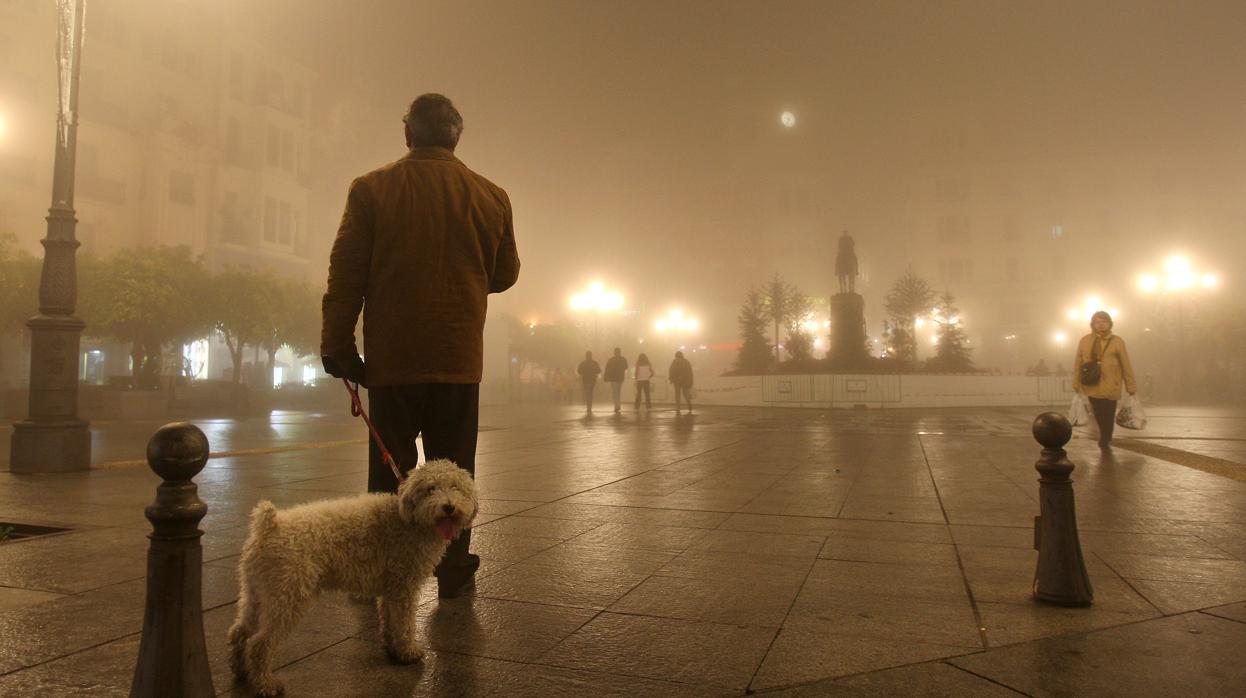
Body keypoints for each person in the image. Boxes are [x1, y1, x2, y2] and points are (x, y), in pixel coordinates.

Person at [320, 93, 520, 598]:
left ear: (408, 134)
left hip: (392, 361)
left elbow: (346, 274)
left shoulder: (372, 189)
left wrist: (338, 345)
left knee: (389, 473)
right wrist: (465, 279)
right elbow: (506, 273)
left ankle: (384, 572)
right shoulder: (491, 195)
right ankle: (452, 568)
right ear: (456, 137)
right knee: (455, 473)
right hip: (457, 359)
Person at [1072, 310, 1136, 452]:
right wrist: (1076, 382)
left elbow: (1126, 363)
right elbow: (1078, 363)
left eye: (1104, 322)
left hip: (1111, 383)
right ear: (1092, 324)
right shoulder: (1085, 340)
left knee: (1108, 411)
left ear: (1110, 324)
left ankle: (1106, 436)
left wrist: (1130, 385)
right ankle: (1105, 433)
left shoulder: (1117, 341)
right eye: (1098, 322)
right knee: (1097, 412)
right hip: (1092, 383)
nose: (1101, 325)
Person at [603, 347, 629, 413]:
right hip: (620, 377)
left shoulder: (611, 360)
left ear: (614, 352)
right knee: (618, 391)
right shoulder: (623, 359)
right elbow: (626, 367)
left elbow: (607, 368)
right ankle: (618, 405)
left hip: (613, 378)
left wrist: (606, 376)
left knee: (615, 392)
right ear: (620, 352)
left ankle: (616, 405)